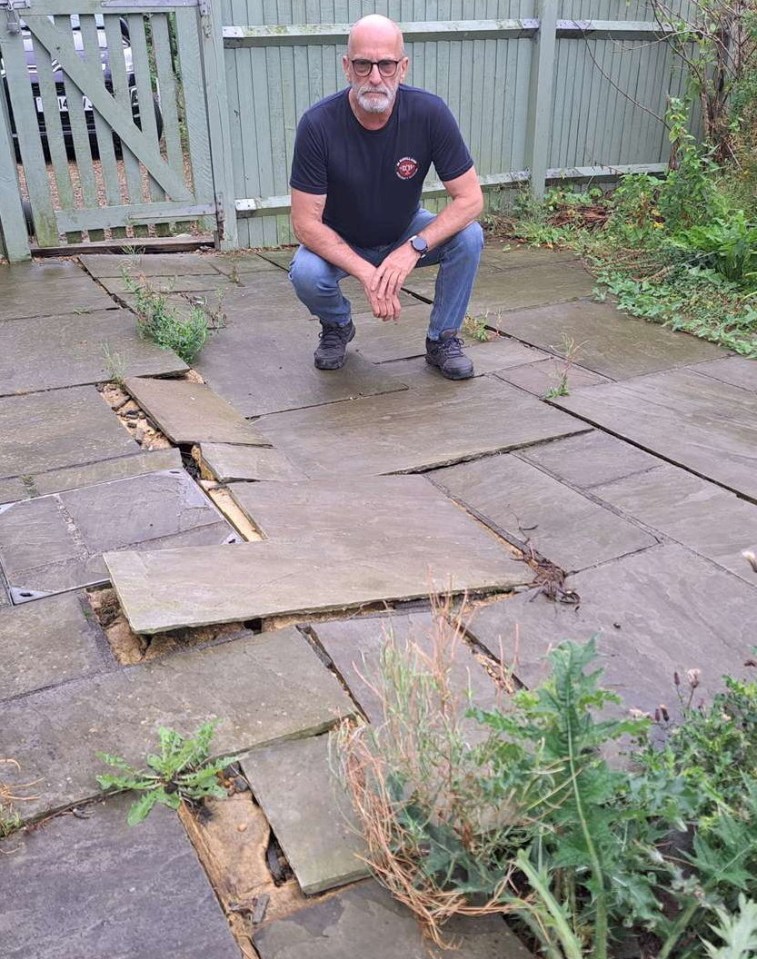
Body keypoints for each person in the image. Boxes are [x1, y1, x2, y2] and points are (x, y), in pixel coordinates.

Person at [288, 14, 484, 380]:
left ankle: (442, 339)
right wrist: (367, 273)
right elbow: (304, 223)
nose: (375, 77)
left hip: (404, 228)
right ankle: (337, 326)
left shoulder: (430, 113)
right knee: (306, 273)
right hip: (342, 237)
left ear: (403, 67)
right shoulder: (317, 125)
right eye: (363, 64)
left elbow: (471, 199)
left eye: (386, 64)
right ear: (347, 67)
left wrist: (413, 247)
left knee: (470, 236)